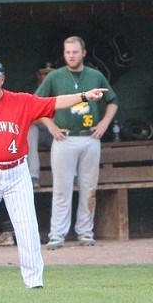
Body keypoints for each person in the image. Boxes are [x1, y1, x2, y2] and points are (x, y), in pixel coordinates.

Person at [0, 58, 108, 290]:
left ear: (2, 79)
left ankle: (34, 282)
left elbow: (55, 102)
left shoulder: (21, 101)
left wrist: (85, 96)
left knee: (27, 228)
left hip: (17, 171)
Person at [35, 36, 119, 250]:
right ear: (63, 54)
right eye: (67, 52)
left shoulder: (95, 75)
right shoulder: (55, 76)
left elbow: (113, 101)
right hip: (65, 138)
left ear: (84, 53)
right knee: (61, 189)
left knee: (88, 188)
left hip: (90, 137)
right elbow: (36, 104)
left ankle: (85, 233)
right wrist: (51, 125)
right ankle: (57, 235)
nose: (71, 56)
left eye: (75, 52)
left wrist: (104, 124)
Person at [27, 64, 55, 188]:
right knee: (30, 130)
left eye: (50, 73)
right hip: (38, 132)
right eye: (45, 73)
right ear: (39, 76)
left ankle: (69, 178)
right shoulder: (34, 94)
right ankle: (33, 177)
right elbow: (30, 118)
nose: (47, 76)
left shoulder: (62, 91)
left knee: (66, 134)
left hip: (55, 133)